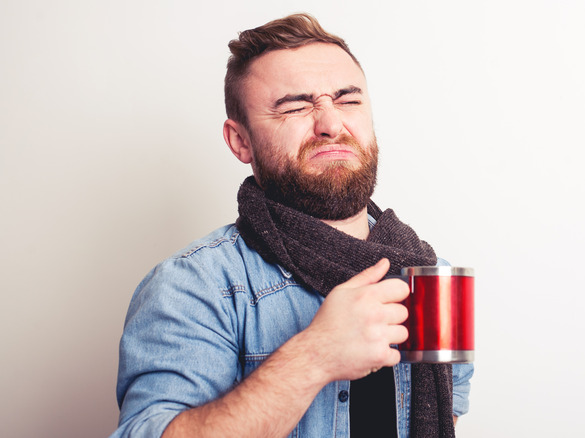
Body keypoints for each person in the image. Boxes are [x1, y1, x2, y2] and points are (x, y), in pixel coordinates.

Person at [111, 13, 473, 438]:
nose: (332, 125)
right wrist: (314, 356)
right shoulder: (193, 285)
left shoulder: (430, 275)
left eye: (348, 100)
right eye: (296, 106)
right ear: (240, 141)